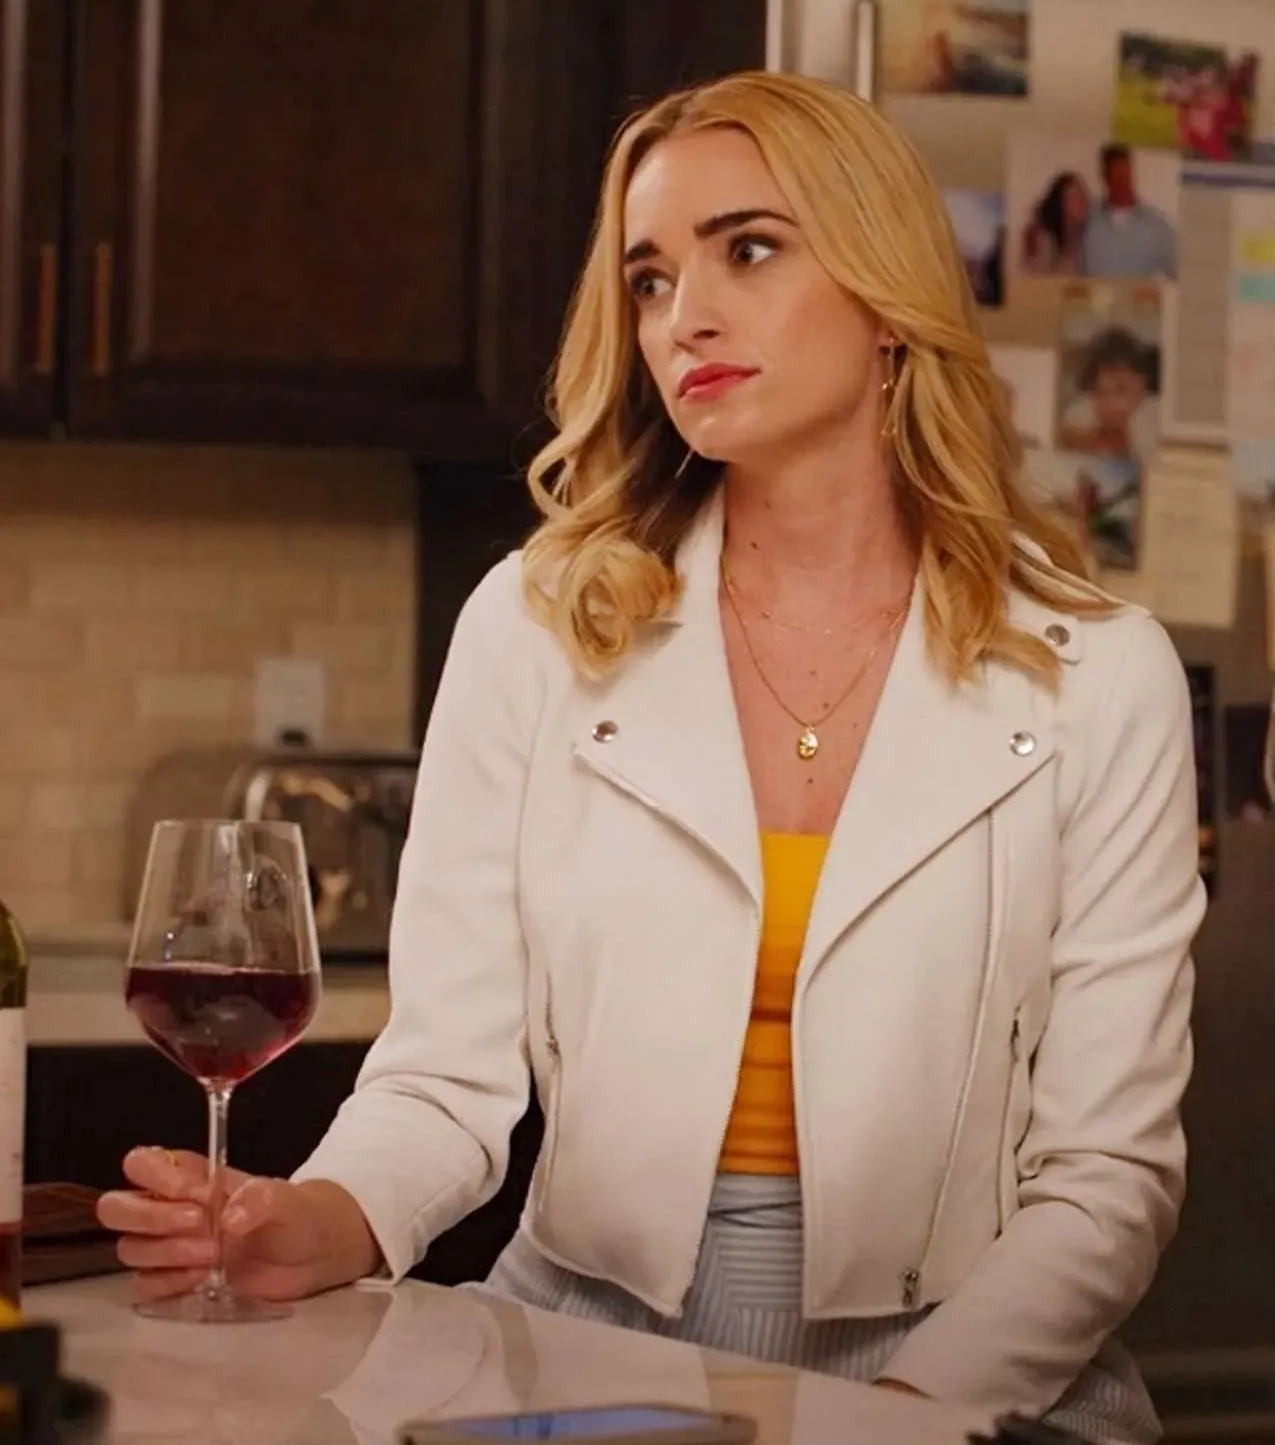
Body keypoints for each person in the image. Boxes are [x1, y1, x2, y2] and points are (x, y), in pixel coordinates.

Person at [98, 71, 1205, 1443]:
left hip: (973, 1373)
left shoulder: (1101, 675)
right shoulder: (536, 627)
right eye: (648, 279)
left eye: (749, 250)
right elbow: (443, 1082)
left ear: (887, 297)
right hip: (579, 1355)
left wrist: (904, 1417)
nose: (685, 316)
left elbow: (1105, 1177)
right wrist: (311, 1223)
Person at [1061, 325, 1160, 460]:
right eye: (1102, 392)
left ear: (1142, 384)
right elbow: (1068, 439)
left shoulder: (1153, 414)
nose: (1111, 402)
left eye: (1121, 390)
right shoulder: (1082, 410)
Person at [1083, 144, 1177, 280]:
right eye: (1117, 178)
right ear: (1105, 179)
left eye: (1126, 177)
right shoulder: (1087, 220)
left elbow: (1177, 275)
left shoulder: (1157, 227)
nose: (1124, 185)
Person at [1020, 172, 1088, 276]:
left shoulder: (1083, 236)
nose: (1081, 201)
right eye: (1074, 196)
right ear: (1060, 203)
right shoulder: (1043, 238)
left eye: (1082, 195)